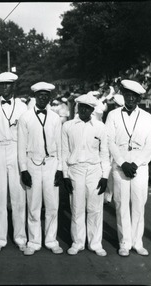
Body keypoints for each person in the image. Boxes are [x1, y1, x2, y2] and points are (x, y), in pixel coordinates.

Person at [105, 79, 151, 257]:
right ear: (123, 96)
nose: (130, 99)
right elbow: (109, 141)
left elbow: (150, 145)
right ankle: (124, 242)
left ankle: (137, 242)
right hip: (120, 166)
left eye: (134, 96)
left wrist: (135, 163)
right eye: (127, 95)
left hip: (139, 167)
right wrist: (122, 162)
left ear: (139, 98)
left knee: (139, 204)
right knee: (121, 204)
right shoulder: (113, 115)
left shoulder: (147, 117)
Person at [18, 82, 64, 256]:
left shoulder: (55, 118)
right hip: (33, 164)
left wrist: (60, 168)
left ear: (50, 98)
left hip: (52, 164)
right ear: (35, 97)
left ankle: (51, 240)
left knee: (52, 205)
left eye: (46, 96)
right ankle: (34, 241)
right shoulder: (25, 118)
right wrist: (23, 170)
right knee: (34, 204)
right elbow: (21, 146)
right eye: (40, 96)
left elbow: (60, 145)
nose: (43, 98)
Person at [62, 94, 110, 257]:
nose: (84, 110)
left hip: (94, 170)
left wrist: (105, 176)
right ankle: (77, 242)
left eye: (87, 108)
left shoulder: (100, 127)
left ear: (92, 110)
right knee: (77, 207)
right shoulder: (68, 126)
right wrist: (65, 175)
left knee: (95, 208)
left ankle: (95, 243)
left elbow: (104, 153)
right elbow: (64, 151)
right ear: (77, 107)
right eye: (81, 106)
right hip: (75, 169)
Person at [0, 72, 28, 253]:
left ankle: (20, 237)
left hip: (16, 149)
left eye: (8, 85)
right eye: (2, 85)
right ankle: (0, 238)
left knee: (18, 197)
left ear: (14, 86)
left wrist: (24, 162)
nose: (5, 88)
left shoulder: (23, 106)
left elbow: (27, 133)